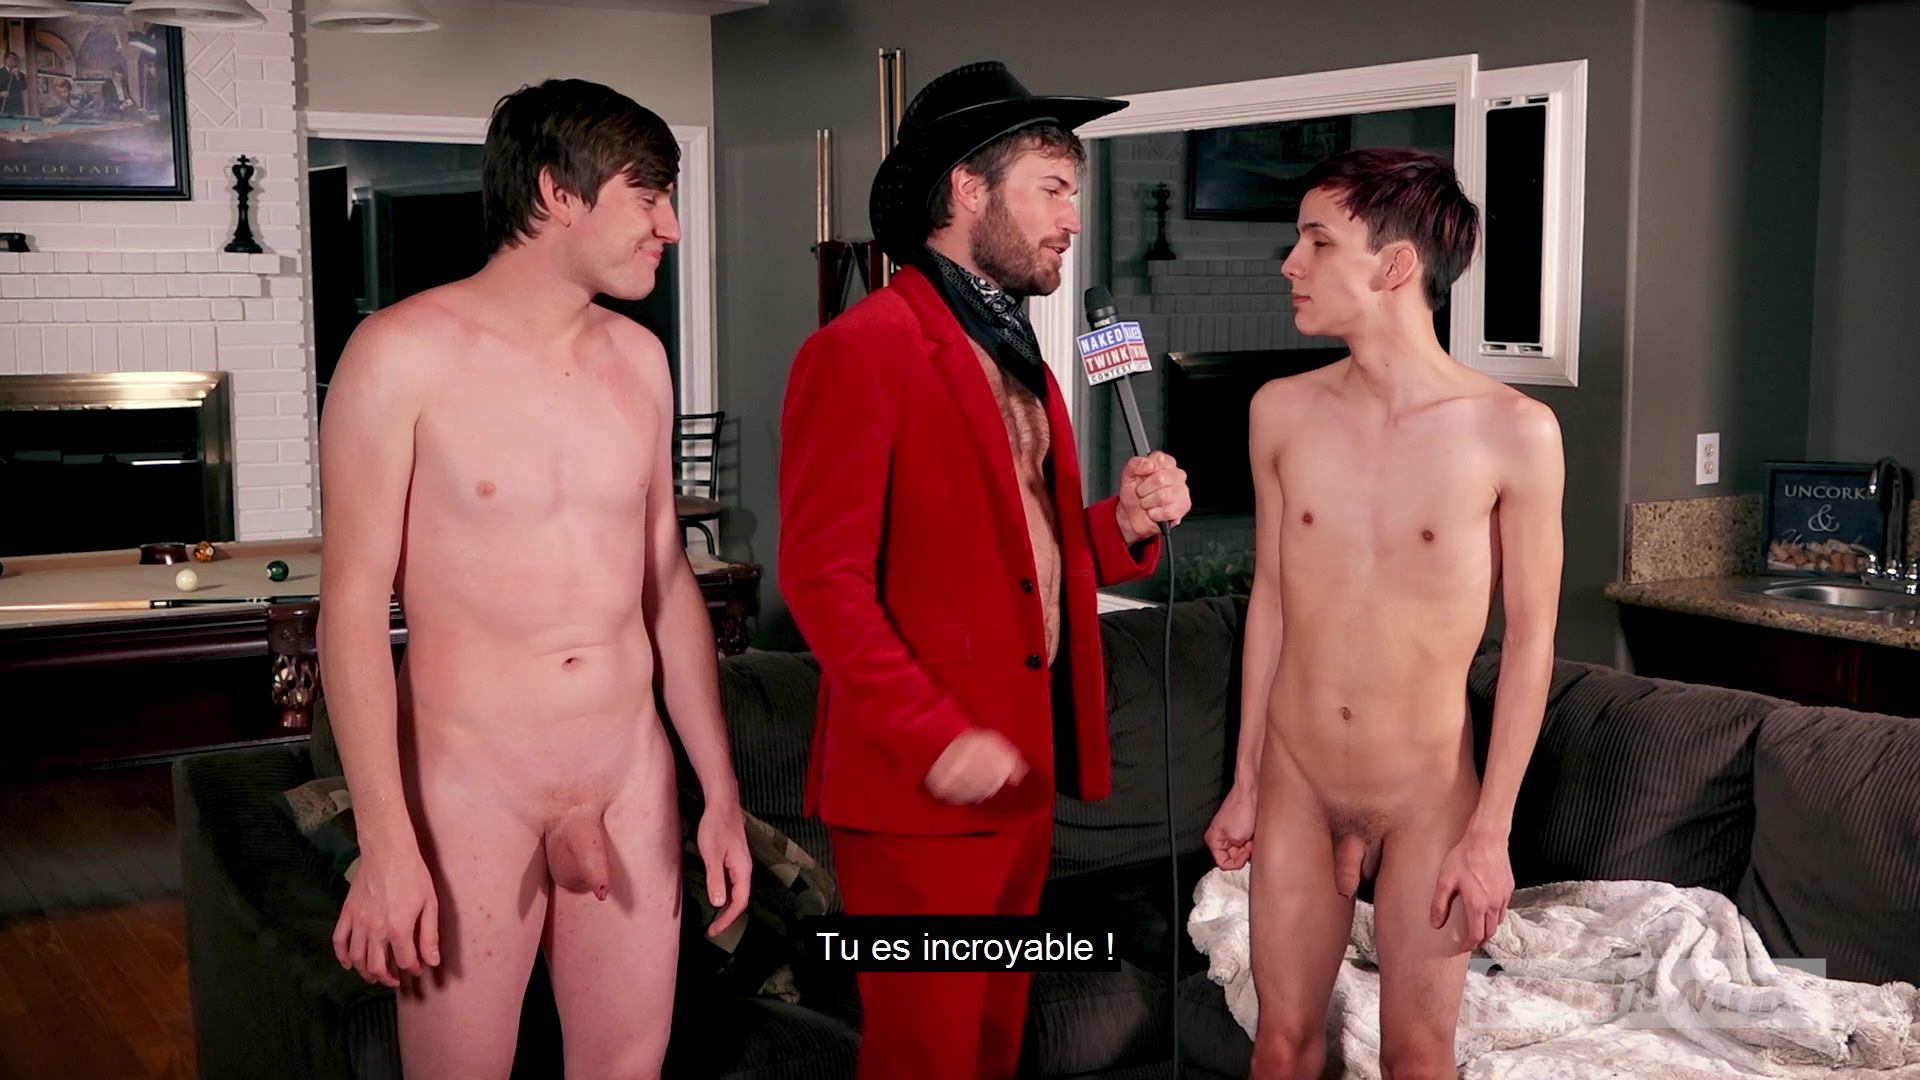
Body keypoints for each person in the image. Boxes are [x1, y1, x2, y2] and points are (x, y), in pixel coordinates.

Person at [317, 78, 750, 1080]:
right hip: (470, 785)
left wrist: (719, 792)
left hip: (627, 774)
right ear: (559, 193)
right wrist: (386, 844)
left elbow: (664, 580)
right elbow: (351, 612)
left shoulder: (641, 359)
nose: (671, 227)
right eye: (649, 197)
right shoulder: (397, 355)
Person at [779, 61, 1193, 1080]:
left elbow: (1019, 552)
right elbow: (822, 579)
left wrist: (1121, 523)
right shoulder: (860, 349)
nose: (1072, 219)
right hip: (921, 787)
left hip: (1020, 775)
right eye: (1051, 189)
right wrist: (935, 737)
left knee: (996, 1045)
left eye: (1072, 193)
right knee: (927, 1055)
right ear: (968, 189)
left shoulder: (1019, 356)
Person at [1203, 147, 1564, 1080]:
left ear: (1396, 265)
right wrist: (1246, 778)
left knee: (1416, 1054)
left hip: (1425, 797)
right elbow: (1272, 601)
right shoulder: (1279, 411)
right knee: (1281, 1044)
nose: (1291, 263)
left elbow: (1531, 643)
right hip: (1298, 778)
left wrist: (1490, 832)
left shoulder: (1514, 431)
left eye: (1318, 242)